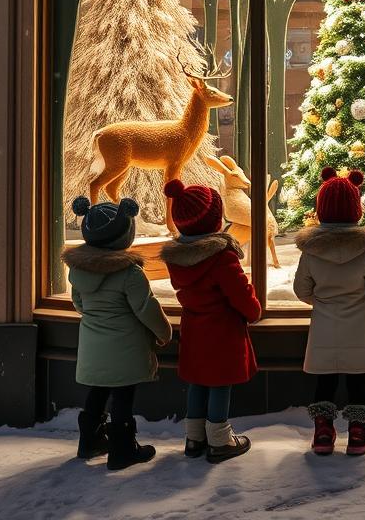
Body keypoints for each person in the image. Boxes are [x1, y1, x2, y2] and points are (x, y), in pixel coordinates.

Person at [63, 195, 172, 470]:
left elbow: (79, 304)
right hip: (125, 346)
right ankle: (123, 449)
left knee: (97, 392)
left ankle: (90, 440)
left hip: (92, 344)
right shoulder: (129, 273)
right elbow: (146, 308)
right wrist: (164, 332)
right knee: (123, 395)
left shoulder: (79, 270)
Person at [161, 179, 261, 463]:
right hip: (222, 331)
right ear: (216, 220)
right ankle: (220, 439)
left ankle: (194, 438)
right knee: (219, 383)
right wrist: (254, 310)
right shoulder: (221, 257)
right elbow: (240, 294)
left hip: (194, 329)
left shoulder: (178, 259)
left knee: (198, 382)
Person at [294, 168, 365, 456]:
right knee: (357, 379)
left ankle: (323, 433)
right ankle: (359, 434)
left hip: (324, 327)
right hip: (361, 327)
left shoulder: (310, 249)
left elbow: (301, 289)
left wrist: (322, 301)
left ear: (320, 209)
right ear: (356, 209)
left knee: (324, 380)